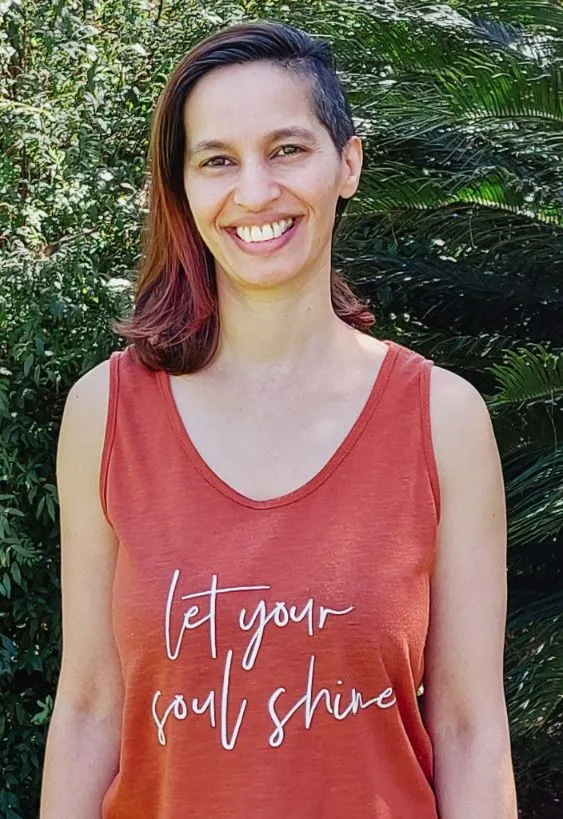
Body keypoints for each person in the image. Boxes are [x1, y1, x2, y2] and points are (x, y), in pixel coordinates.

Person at [40, 19, 518, 819]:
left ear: (348, 165)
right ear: (184, 189)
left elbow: (470, 730)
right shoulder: (105, 411)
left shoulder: (443, 420)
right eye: (217, 160)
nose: (254, 191)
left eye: (287, 148)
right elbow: (90, 706)